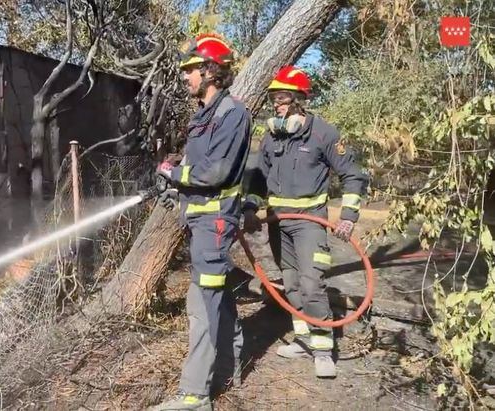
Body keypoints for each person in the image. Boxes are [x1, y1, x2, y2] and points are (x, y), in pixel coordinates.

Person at [242, 66, 369, 378]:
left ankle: (323, 350)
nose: (276, 104)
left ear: (300, 99)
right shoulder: (272, 137)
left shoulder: (324, 133)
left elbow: (354, 175)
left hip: (310, 223)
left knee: (312, 285)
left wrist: (349, 217)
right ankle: (303, 339)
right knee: (293, 285)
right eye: (274, 98)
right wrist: (249, 208)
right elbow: (259, 180)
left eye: (282, 97)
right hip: (278, 223)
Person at [153, 33, 252, 410]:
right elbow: (200, 169)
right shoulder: (205, 115)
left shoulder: (232, 113)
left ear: (211, 71)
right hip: (201, 220)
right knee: (219, 297)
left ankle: (195, 395)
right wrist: (176, 177)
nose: (185, 77)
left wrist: (176, 175)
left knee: (201, 303)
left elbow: (216, 172)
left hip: (214, 223)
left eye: (191, 69)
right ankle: (234, 362)